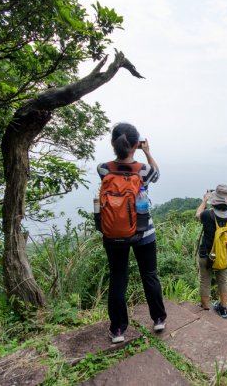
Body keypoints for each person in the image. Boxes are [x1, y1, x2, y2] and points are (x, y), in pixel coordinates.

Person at [97, 122, 166, 343]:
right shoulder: (143, 171)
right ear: (135, 145)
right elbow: (156, 174)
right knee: (149, 275)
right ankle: (158, 319)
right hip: (144, 233)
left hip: (113, 233)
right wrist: (147, 152)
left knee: (118, 278)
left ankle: (118, 330)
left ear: (113, 144)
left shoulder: (103, 169)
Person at [195, 184, 227, 318]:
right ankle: (223, 308)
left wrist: (204, 200)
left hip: (207, 254)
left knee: (205, 280)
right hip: (223, 254)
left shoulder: (208, 214)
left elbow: (197, 215)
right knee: (223, 280)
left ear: (215, 200)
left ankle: (206, 308)